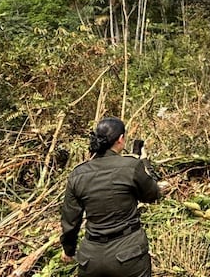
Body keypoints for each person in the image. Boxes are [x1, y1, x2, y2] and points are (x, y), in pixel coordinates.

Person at [60, 117, 161, 277]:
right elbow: (152, 195)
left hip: (91, 259)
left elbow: (70, 220)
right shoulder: (131, 166)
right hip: (129, 254)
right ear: (120, 139)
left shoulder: (77, 174)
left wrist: (68, 250)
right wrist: (144, 164)